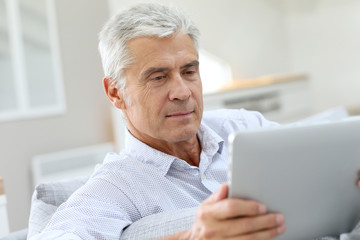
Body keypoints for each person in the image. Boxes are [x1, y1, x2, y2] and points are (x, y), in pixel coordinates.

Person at [30, 3, 359, 240]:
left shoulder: (244, 128)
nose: (182, 91)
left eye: (189, 71)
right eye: (158, 77)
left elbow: (313, 171)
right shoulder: (113, 189)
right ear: (115, 93)